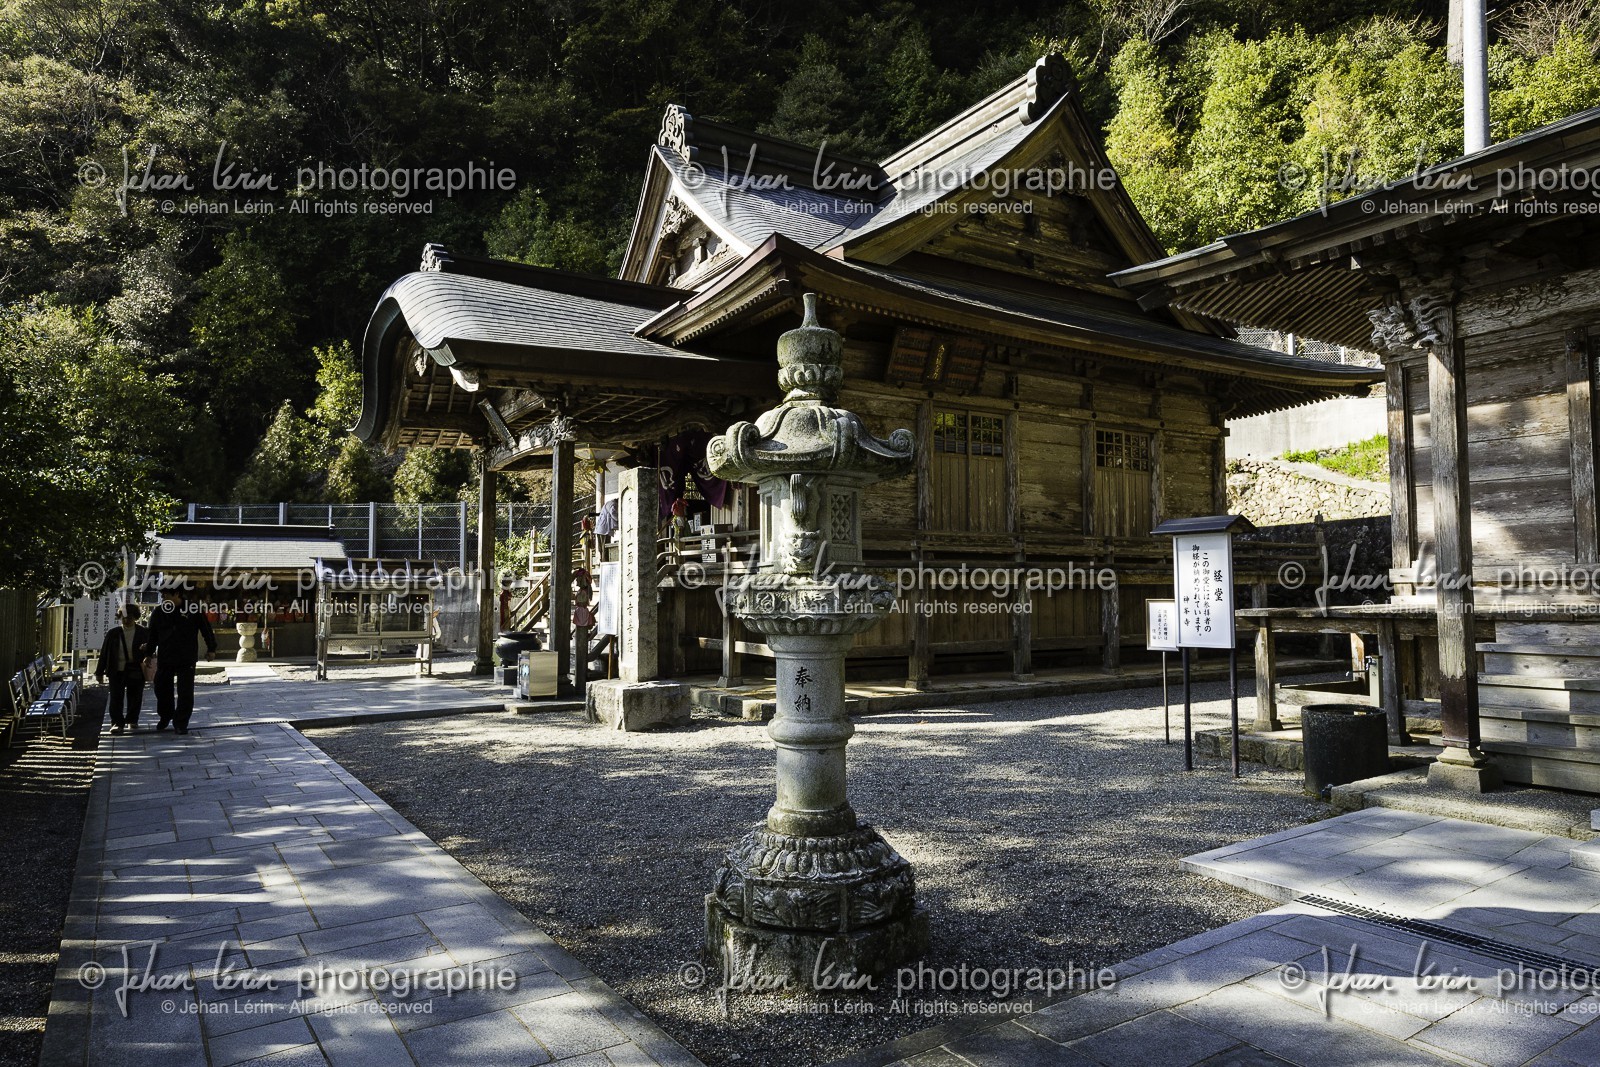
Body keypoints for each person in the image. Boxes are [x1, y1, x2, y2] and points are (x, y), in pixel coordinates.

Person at [145, 589, 217, 734]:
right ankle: (165, 716)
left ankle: (181, 722)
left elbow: (206, 629)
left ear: (177, 594)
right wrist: (148, 653)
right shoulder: (158, 612)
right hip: (166, 656)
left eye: (166, 594)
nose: (163, 597)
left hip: (186, 656)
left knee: (185, 692)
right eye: (162, 595)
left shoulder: (193, 609)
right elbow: (152, 635)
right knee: (161, 688)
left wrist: (211, 648)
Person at [95, 604, 150, 735]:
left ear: (135, 617)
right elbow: (104, 653)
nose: (126, 620)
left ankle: (132, 719)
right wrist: (99, 671)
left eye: (129, 617)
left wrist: (146, 650)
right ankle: (116, 723)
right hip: (116, 669)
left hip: (136, 667)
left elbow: (152, 649)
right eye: (124, 617)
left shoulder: (143, 632)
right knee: (115, 697)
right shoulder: (113, 633)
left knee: (135, 696)